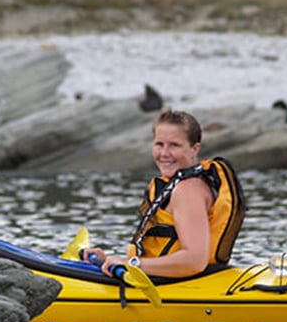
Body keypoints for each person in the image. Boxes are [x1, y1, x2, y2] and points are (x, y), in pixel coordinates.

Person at [83, 109, 245, 279]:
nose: (164, 154)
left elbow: (194, 261)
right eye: (159, 144)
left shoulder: (188, 190)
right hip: (166, 280)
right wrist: (108, 260)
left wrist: (131, 264)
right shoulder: (176, 184)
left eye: (174, 145)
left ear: (194, 149)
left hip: (186, 286)